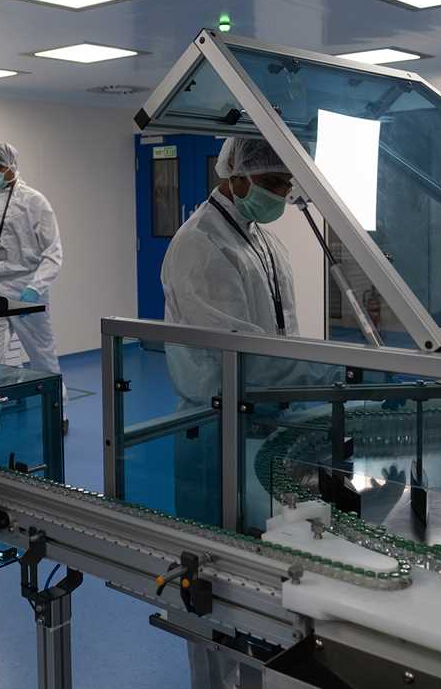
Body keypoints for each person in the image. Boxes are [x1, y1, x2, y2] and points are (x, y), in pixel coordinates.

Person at [161, 137, 336, 689]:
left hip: (257, 418)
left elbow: (283, 330)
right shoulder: (201, 247)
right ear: (237, 178)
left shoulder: (258, 238)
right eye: (276, 184)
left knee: (254, 570)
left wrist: (314, 377)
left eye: (287, 184)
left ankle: (254, 674)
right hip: (214, 424)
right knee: (208, 576)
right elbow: (245, 355)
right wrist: (331, 377)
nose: (284, 195)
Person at [0, 142, 64, 459]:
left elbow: (54, 253)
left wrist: (36, 287)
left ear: (13, 166)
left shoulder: (35, 202)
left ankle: (57, 414)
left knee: (42, 359)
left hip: (26, 289)